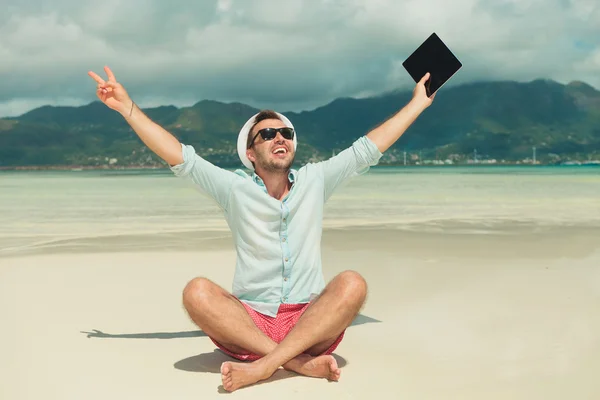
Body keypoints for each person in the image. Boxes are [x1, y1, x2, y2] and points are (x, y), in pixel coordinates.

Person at [88, 66, 435, 392]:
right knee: (196, 292)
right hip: (251, 322)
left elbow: (367, 150)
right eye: (267, 134)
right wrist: (128, 108)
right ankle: (296, 363)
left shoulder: (316, 181)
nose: (279, 137)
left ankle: (266, 365)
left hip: (308, 321)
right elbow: (181, 157)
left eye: (286, 133)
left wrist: (418, 102)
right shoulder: (233, 188)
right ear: (251, 153)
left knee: (352, 284)